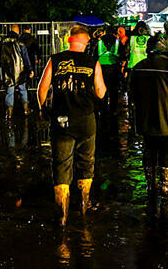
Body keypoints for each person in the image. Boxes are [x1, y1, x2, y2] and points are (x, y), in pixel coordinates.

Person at [36, 25, 106, 226]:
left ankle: (62, 216)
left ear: (69, 39)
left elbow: (42, 88)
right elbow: (100, 92)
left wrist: (42, 109)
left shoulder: (55, 60)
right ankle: (83, 207)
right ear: (86, 42)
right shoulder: (93, 62)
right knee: (86, 162)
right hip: (86, 119)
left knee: (61, 164)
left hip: (62, 119)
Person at [128, 35, 168, 207]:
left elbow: (131, 93)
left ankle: (150, 185)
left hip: (146, 117)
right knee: (167, 151)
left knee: (148, 150)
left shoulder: (139, 67)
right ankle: (164, 186)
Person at [0, 24, 34, 119]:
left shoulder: (2, 42)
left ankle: (9, 112)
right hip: (19, 70)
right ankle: (25, 109)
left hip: (7, 70)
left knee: (9, 91)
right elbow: (25, 57)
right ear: (17, 31)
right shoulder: (20, 41)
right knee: (23, 89)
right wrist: (30, 69)